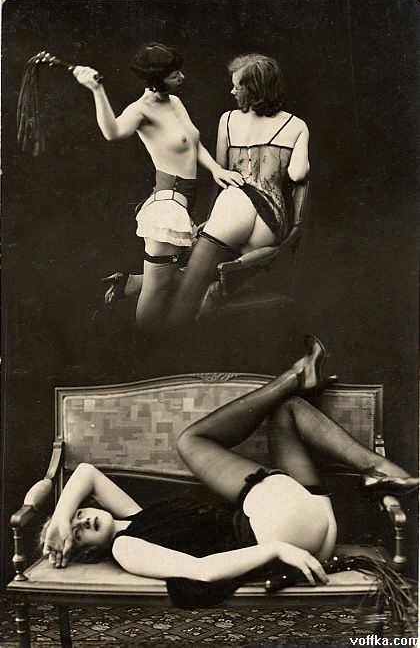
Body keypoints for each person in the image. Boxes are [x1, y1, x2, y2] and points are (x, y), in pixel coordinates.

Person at [41, 336, 418, 609]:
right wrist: (277, 548)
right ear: (86, 553)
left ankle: (373, 465)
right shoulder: (125, 547)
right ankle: (299, 378)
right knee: (191, 441)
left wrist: (59, 518)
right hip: (278, 535)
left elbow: (86, 472)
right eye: (77, 534)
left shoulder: (136, 518)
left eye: (78, 515)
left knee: (286, 412)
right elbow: (201, 570)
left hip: (312, 524)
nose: (81, 522)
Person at [73, 43, 243, 334]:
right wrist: (96, 90)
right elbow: (112, 132)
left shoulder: (174, 102)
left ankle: (131, 283)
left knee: (172, 279)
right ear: (155, 79)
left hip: (183, 200)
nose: (182, 77)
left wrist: (217, 169)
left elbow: (193, 143)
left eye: (180, 71)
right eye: (174, 75)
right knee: (157, 291)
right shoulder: (141, 110)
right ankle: (147, 349)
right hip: (168, 205)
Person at [168, 53, 310, 326]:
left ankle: (166, 329)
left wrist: (214, 220)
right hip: (271, 226)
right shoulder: (296, 125)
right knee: (201, 276)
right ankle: (169, 296)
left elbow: (222, 173)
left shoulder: (229, 120)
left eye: (237, 86)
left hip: (236, 211)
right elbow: (298, 174)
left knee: (188, 286)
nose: (232, 91)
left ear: (254, 90)